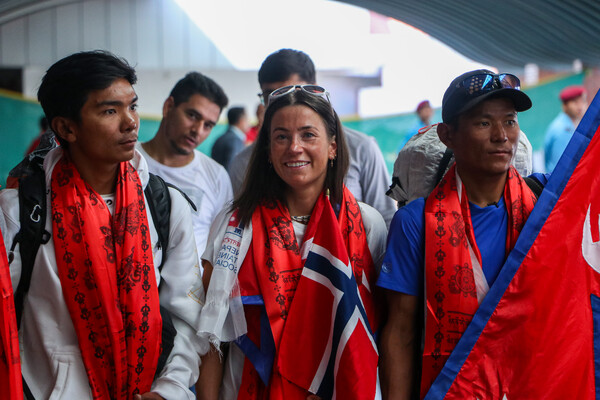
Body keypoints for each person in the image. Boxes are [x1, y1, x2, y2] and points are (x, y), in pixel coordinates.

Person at [0, 51, 207, 399]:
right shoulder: (20, 212)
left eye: (133, 106)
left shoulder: (164, 206)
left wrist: (169, 390)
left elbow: (185, 316)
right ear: (66, 128)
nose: (131, 123)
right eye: (110, 111)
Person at [197, 85, 387, 399]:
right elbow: (212, 339)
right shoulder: (235, 224)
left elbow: (381, 327)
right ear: (268, 151)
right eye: (281, 137)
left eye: (308, 135)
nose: (294, 147)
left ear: (333, 147)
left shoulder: (367, 225)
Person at [377, 70, 549, 399]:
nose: (502, 136)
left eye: (510, 121)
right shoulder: (417, 223)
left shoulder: (543, 205)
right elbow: (400, 333)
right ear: (448, 135)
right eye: (484, 123)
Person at [228, 48, 397, 227]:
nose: (284, 103)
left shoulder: (362, 148)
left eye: (308, 135)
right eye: (272, 95)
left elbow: (385, 220)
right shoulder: (244, 164)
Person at [138, 72, 232, 263]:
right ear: (168, 107)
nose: (197, 130)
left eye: (208, 125)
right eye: (192, 115)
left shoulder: (216, 176)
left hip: (189, 292)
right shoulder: (127, 161)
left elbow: (221, 247)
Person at [544, 85, 587, 173]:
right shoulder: (563, 130)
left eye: (582, 101)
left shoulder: (569, 124)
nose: (580, 106)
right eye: (575, 102)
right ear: (564, 105)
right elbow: (560, 170)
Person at [211, 106, 249, 171]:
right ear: (241, 120)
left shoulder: (222, 137)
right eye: (247, 119)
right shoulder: (235, 140)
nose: (249, 123)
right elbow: (232, 169)